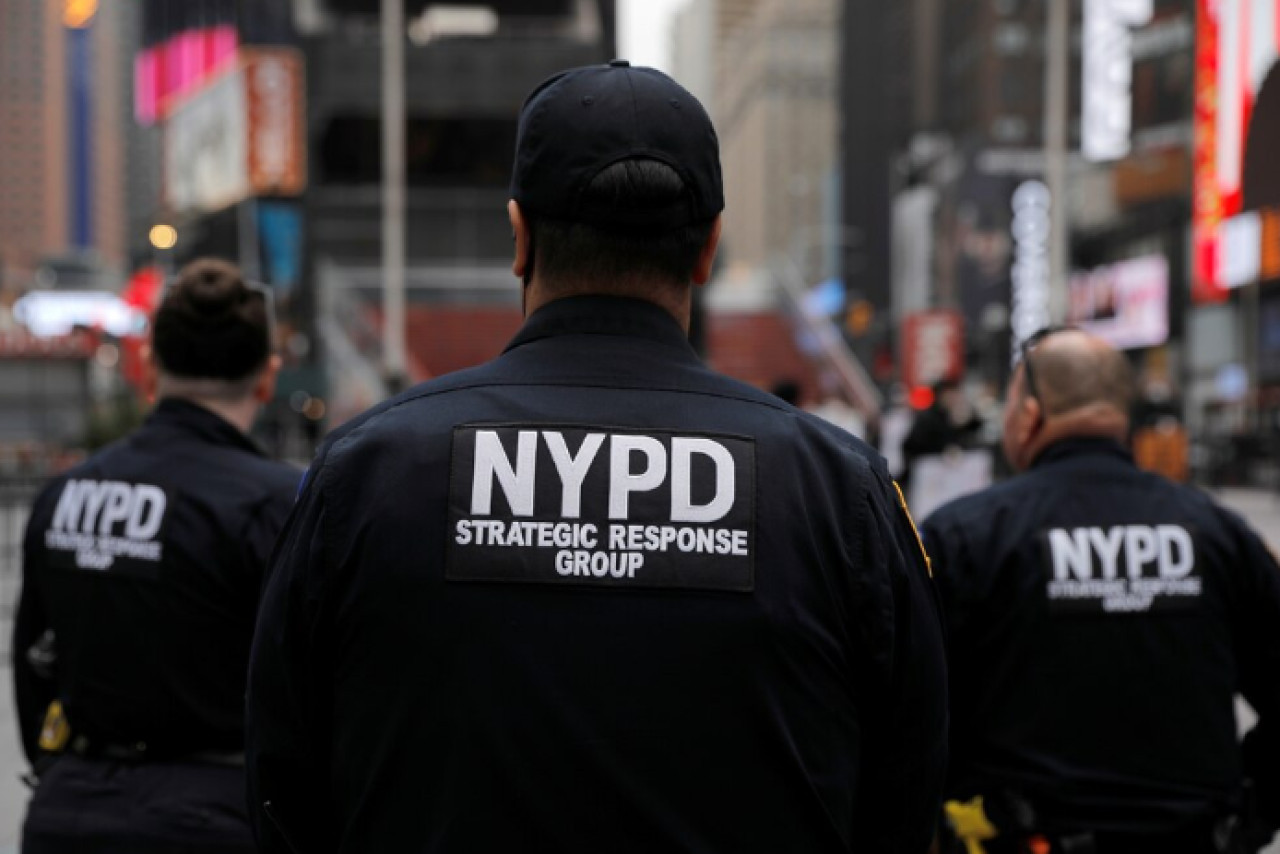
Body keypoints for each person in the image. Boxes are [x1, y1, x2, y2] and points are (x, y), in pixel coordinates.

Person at [247, 61, 946, 854]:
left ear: (519, 237)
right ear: (708, 247)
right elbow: (906, 787)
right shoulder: (834, 490)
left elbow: (282, 781)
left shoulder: (369, 472)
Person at [921, 327, 1280, 854]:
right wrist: (1247, 816)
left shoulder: (965, 537)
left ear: (1031, 412)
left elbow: (903, 712)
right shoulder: (1218, 534)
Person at [14, 258, 300, 853]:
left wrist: (56, 771)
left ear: (147, 368)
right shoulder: (277, 505)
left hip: (71, 810)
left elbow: (34, 666)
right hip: (212, 816)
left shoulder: (66, 493)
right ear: (267, 378)